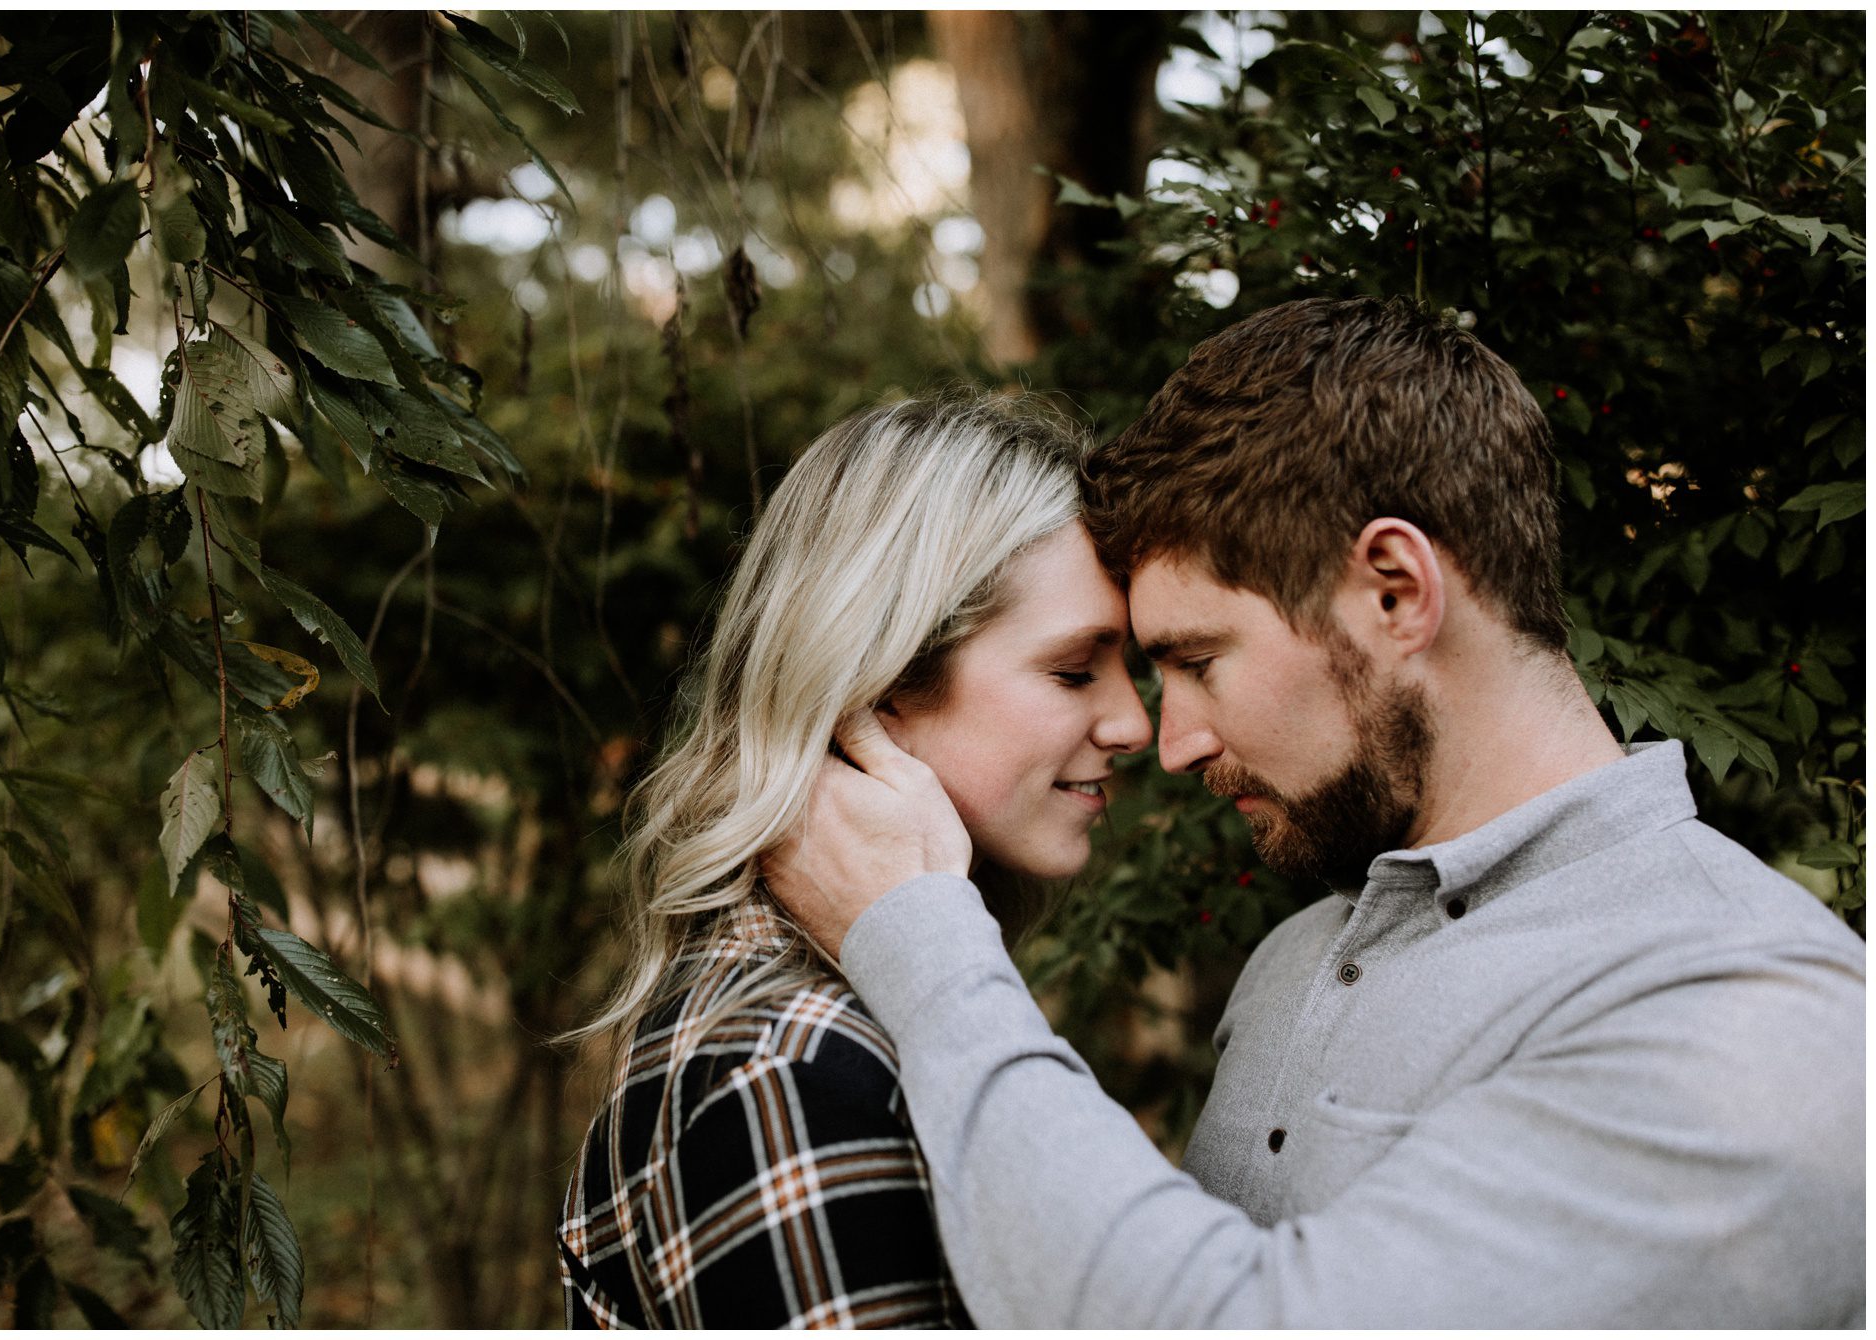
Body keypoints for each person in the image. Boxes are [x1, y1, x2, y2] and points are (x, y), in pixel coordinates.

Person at [766, 297, 1867, 1327]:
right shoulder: (1297, 956)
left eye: (1196, 660)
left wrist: (919, 940)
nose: (1172, 737)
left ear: (1393, 590)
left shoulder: (1749, 1011)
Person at [556, 393, 1151, 1327]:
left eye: (1135, 669)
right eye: (1075, 671)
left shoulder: (859, 1017)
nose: (1135, 725)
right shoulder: (790, 1074)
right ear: (879, 684)